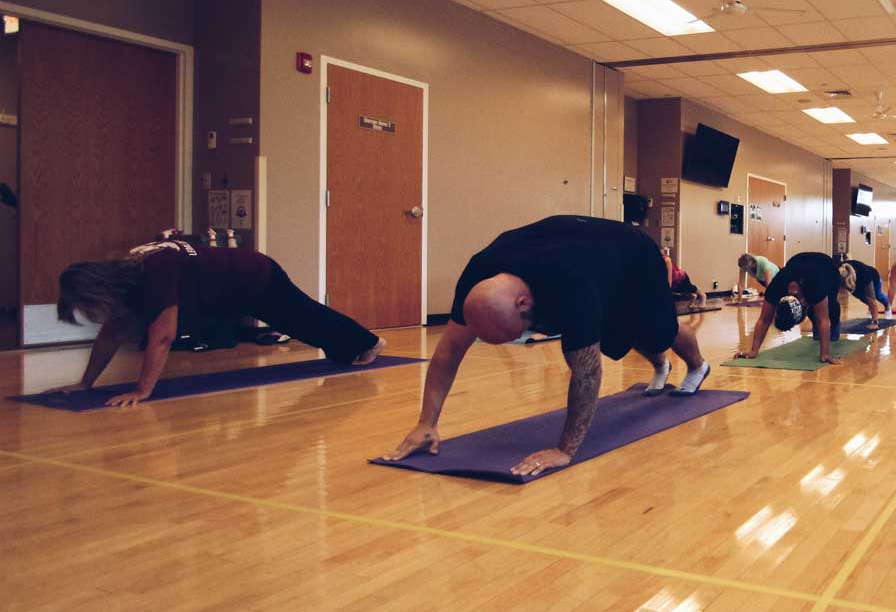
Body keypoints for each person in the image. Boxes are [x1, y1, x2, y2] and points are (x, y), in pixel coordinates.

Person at [383, 216, 711, 478]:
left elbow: (586, 373)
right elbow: (450, 350)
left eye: (515, 333)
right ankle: (660, 367)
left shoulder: (571, 285)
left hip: (633, 254)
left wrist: (565, 449)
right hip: (586, 254)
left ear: (523, 303)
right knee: (622, 332)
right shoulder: (478, 277)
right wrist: (427, 422)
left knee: (656, 328)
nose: (517, 341)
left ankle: (697, 366)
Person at [55, 240, 384, 407]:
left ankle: (369, 342)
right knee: (300, 322)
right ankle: (346, 347)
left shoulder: (155, 270)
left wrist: (143, 390)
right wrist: (86, 383)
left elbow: (163, 336)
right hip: (226, 286)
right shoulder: (131, 273)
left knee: (302, 316)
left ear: (99, 287)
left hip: (254, 276)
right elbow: (110, 335)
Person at [734, 250, 843, 365]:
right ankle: (818, 328)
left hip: (828, 268)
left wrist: (825, 354)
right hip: (800, 264)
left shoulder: (816, 286)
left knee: (829, 307)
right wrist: (753, 351)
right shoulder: (776, 288)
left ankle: (835, 325)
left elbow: (823, 320)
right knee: (815, 310)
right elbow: (764, 320)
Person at [841, 257, 888, 330]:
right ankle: (871, 309)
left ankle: (887, 305)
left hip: (874, 278)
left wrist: (874, 322)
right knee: (863, 298)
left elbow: (872, 299)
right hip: (855, 281)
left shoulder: (864, 275)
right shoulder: (839, 270)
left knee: (877, 296)